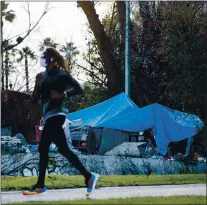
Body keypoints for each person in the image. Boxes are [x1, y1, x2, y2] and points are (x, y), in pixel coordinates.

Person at [23, 47, 99, 196]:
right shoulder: (42, 76)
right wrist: (37, 83)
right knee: (63, 149)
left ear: (50, 59)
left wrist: (64, 94)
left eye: (44, 57)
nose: (42, 60)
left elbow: (79, 89)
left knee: (43, 147)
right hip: (48, 116)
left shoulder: (61, 74)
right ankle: (89, 177)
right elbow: (34, 99)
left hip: (58, 114)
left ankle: (40, 185)